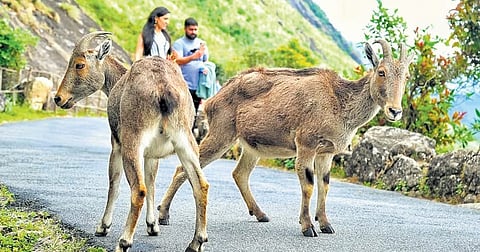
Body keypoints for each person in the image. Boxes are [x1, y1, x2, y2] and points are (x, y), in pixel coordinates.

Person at [173, 17, 209, 115]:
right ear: (185, 29)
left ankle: (192, 129)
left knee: (194, 112)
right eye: (191, 29)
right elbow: (178, 60)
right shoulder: (179, 44)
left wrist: (205, 69)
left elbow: (205, 61)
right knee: (182, 111)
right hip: (184, 83)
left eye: (195, 29)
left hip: (198, 85)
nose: (193, 32)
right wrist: (194, 56)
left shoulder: (201, 43)